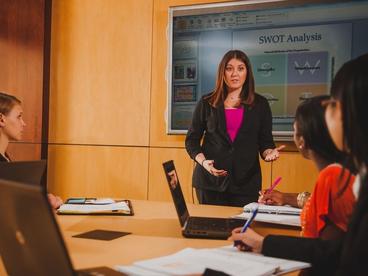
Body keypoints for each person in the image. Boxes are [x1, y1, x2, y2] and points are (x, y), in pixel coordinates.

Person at [229, 53, 368, 275]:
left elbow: (335, 254)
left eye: (334, 104)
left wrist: (266, 244)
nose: (327, 112)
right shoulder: (358, 175)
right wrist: (266, 243)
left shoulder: (338, 176)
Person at [185, 50, 284, 207]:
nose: (234, 74)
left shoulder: (261, 104)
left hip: (246, 185)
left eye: (240, 68)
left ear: (247, 72)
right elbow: (191, 141)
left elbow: (265, 143)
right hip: (210, 184)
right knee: (210, 229)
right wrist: (204, 163)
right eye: (229, 68)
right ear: (222, 72)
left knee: (239, 230)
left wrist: (269, 153)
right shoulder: (206, 102)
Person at [259, 95, 355, 239]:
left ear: (302, 140)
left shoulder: (331, 177)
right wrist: (285, 197)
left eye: (294, 129)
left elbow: (326, 251)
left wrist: (263, 243)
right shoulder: (342, 172)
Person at [0, 92, 62, 209]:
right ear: (1, 119)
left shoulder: (5, 158)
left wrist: (42, 199)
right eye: (19, 117)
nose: (23, 123)